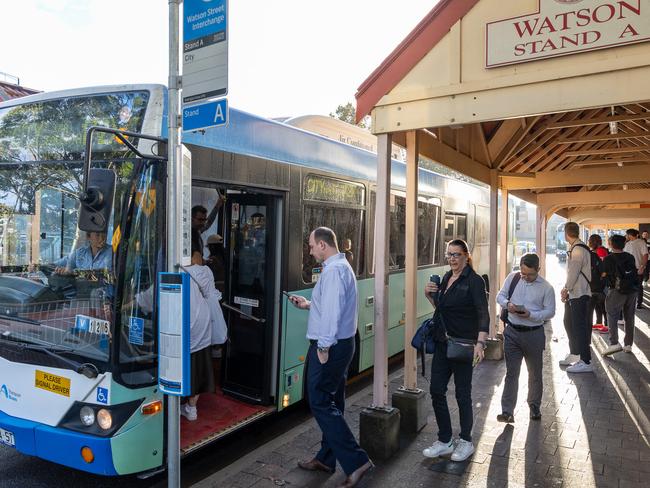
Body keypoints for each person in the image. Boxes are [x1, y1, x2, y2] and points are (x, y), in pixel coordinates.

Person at [288, 227, 372, 488]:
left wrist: (323, 348)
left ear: (323, 245)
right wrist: (308, 304)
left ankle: (357, 461)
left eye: (312, 245)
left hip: (330, 347)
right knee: (334, 400)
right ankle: (326, 458)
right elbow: (332, 307)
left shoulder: (334, 271)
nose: (310, 250)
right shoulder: (340, 267)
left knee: (320, 402)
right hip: (341, 344)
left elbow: (333, 314)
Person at [421, 239, 489, 462]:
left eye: (456, 255)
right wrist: (430, 296)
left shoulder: (475, 281)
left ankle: (466, 441)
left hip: (463, 344)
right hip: (443, 343)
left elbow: (482, 313)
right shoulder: (446, 278)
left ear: (466, 256)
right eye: (449, 254)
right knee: (436, 390)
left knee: (462, 394)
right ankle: (445, 440)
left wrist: (480, 343)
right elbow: (442, 311)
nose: (452, 258)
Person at [496, 253, 555, 423]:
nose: (526, 277)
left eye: (530, 274)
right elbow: (500, 296)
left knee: (535, 372)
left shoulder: (546, 287)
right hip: (512, 332)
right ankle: (507, 411)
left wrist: (531, 315)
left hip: (534, 333)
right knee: (512, 372)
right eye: (523, 273)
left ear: (539, 269)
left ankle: (534, 405)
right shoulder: (513, 278)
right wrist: (508, 305)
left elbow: (550, 312)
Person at [179, 229, 221, 421]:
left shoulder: (174, 269)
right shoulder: (204, 272)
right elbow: (211, 295)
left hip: (181, 327)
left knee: (181, 367)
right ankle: (192, 408)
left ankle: (178, 406)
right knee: (198, 367)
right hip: (201, 327)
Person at [559, 222, 593, 373]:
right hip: (576, 292)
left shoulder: (578, 249)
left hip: (579, 292)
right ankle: (575, 354)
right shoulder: (577, 247)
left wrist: (566, 288)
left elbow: (573, 272)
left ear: (567, 233)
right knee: (569, 322)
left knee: (579, 327)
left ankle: (585, 361)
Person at [602, 234, 638, 356]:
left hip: (616, 291)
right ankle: (628, 345)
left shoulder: (608, 259)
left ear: (611, 244)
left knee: (612, 315)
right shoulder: (630, 257)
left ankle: (614, 343)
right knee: (629, 316)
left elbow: (604, 275)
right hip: (632, 290)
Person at [587, 234, 608, 333]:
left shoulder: (600, 251)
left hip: (600, 284)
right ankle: (599, 323)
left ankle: (607, 326)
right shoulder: (599, 251)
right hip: (597, 283)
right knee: (598, 305)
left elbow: (603, 269)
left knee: (603, 306)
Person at [623, 229, 648, 309]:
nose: (626, 236)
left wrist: (642, 267)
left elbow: (645, 255)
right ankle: (630, 303)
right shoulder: (627, 244)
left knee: (638, 286)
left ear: (630, 235)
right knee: (629, 286)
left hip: (638, 268)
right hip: (628, 269)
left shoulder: (641, 242)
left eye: (627, 235)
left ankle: (639, 303)